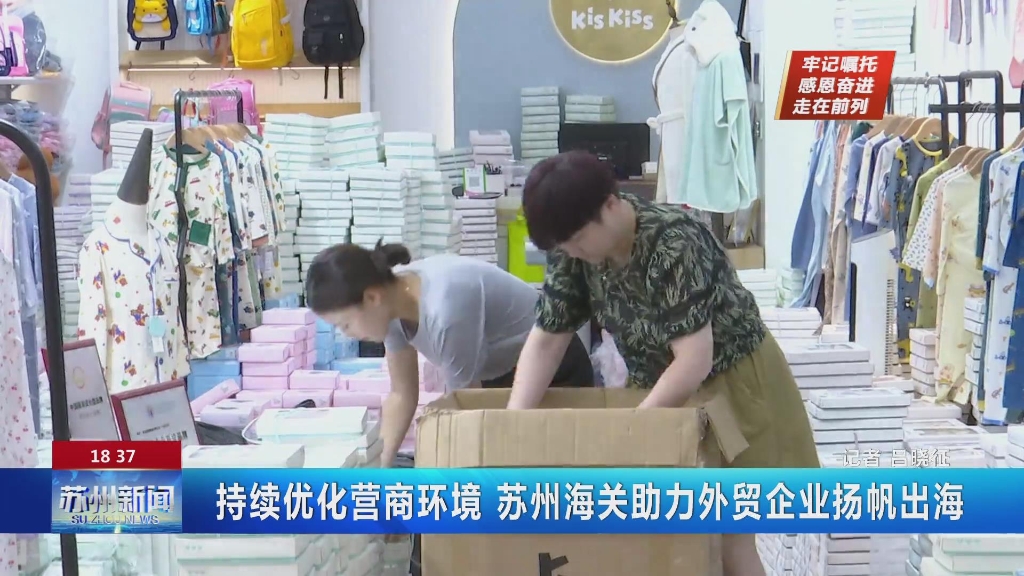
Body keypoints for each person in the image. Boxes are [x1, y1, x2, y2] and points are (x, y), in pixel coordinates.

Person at [506, 151, 818, 576]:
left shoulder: (674, 240)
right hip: (660, 388)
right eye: (564, 246)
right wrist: (512, 427)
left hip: (732, 386)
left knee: (728, 532)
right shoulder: (575, 250)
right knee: (672, 533)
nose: (573, 252)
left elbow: (694, 359)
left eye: (578, 239)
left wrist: (632, 432)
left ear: (610, 205)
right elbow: (547, 340)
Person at [305, 242, 594, 466]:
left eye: (345, 324)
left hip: (553, 368)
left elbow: (466, 410)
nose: (347, 334)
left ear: (371, 297)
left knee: (542, 476)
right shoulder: (390, 301)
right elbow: (402, 395)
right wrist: (378, 468)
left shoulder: (445, 311)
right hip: (498, 376)